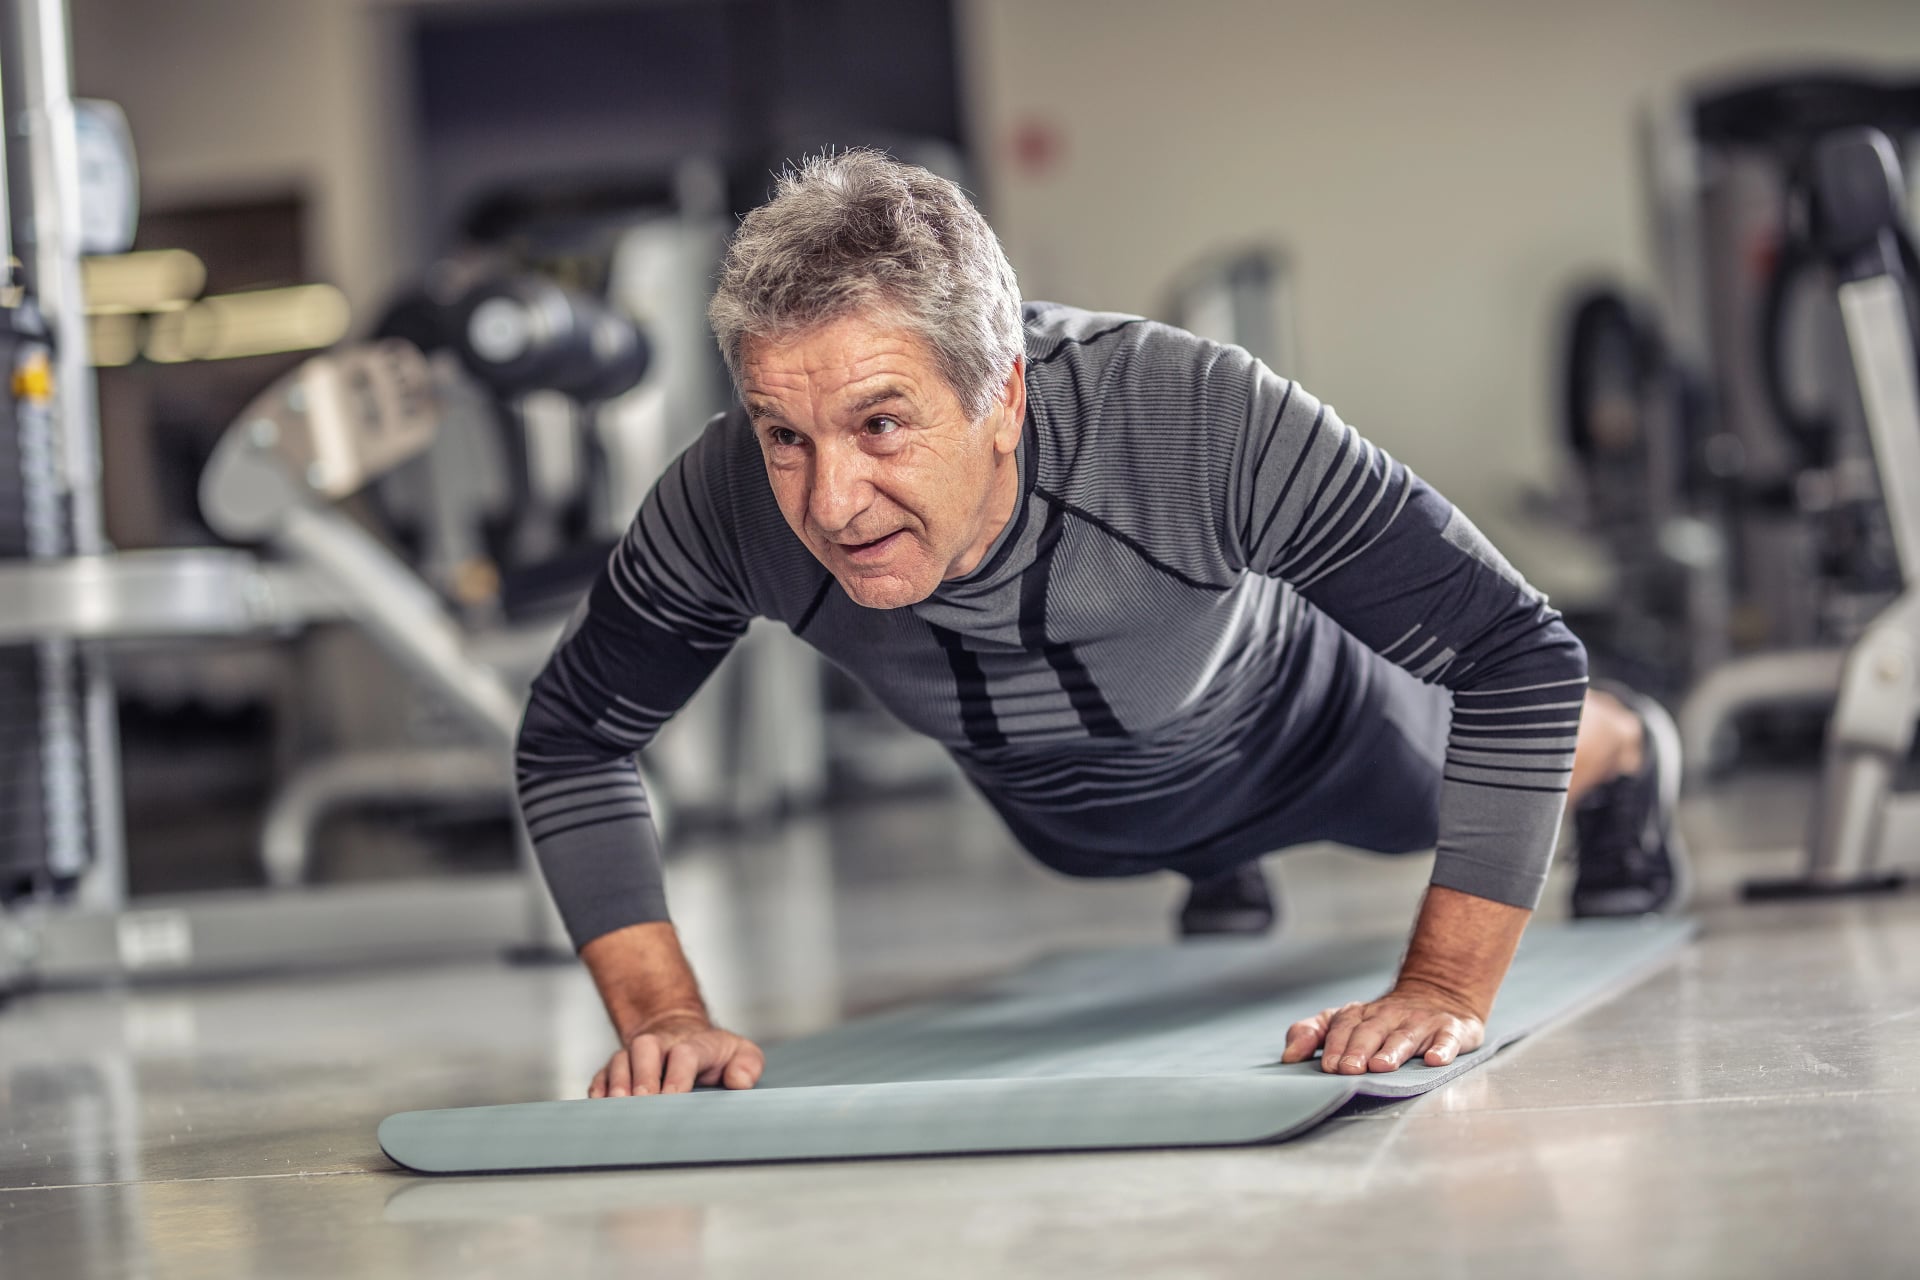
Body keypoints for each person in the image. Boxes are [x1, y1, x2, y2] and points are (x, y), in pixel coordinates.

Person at [514, 150, 1686, 1101]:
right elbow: (572, 733)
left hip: (1312, 731)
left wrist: (1442, 984)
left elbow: (1518, 659)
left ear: (1004, 394)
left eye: (881, 425)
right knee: (1095, 834)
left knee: (1436, 787)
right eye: (785, 434)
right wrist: (663, 1015)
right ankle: (1213, 854)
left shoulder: (1193, 412)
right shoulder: (724, 498)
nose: (827, 502)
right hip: (1067, 809)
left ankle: (1633, 744)